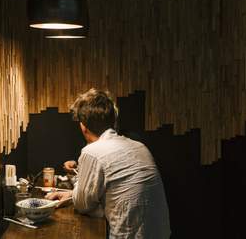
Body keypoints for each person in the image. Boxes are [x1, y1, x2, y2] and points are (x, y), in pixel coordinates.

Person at [46, 88, 171, 239]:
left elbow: (83, 205)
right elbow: (117, 196)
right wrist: (72, 195)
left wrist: (77, 194)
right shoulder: (139, 146)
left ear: (83, 126)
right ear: (113, 120)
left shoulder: (92, 152)